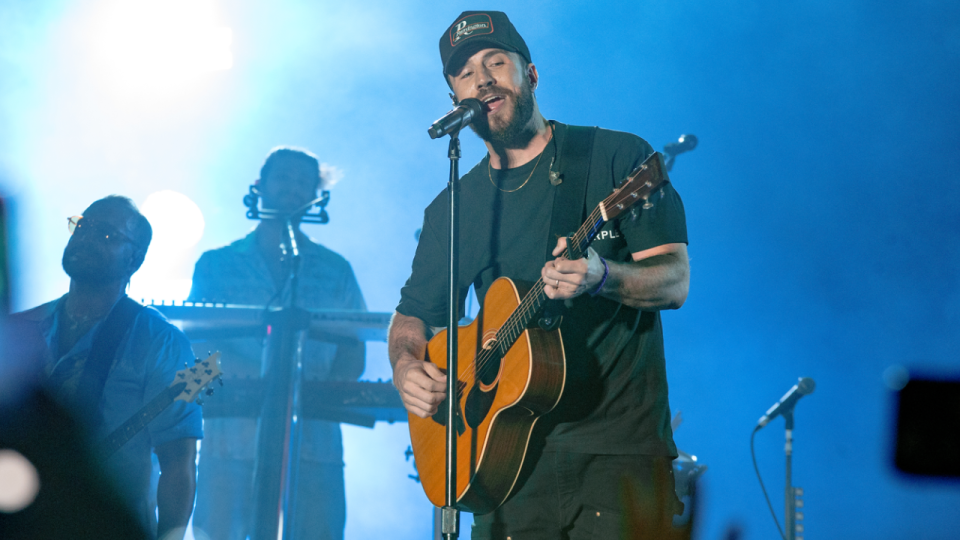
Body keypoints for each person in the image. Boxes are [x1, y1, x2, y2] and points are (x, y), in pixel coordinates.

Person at [390, 11, 691, 540]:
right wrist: (405, 368)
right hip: (502, 466)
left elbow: (674, 281)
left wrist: (603, 276)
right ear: (454, 100)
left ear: (530, 75)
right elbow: (413, 316)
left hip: (617, 454)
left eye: (496, 62)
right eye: (465, 74)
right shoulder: (452, 208)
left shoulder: (615, 157)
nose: (482, 79)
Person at [189, 147, 366, 540]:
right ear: (260, 185)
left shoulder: (335, 269)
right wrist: (260, 380)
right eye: (283, 178)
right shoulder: (216, 264)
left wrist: (317, 394)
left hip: (313, 444)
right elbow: (197, 345)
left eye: (304, 181)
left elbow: (354, 348)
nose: (292, 188)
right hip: (230, 439)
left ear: (315, 195)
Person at [10, 195, 203, 540]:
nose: (85, 237)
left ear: (135, 258)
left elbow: (178, 464)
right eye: (81, 226)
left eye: (107, 235)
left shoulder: (160, 341)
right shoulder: (21, 328)